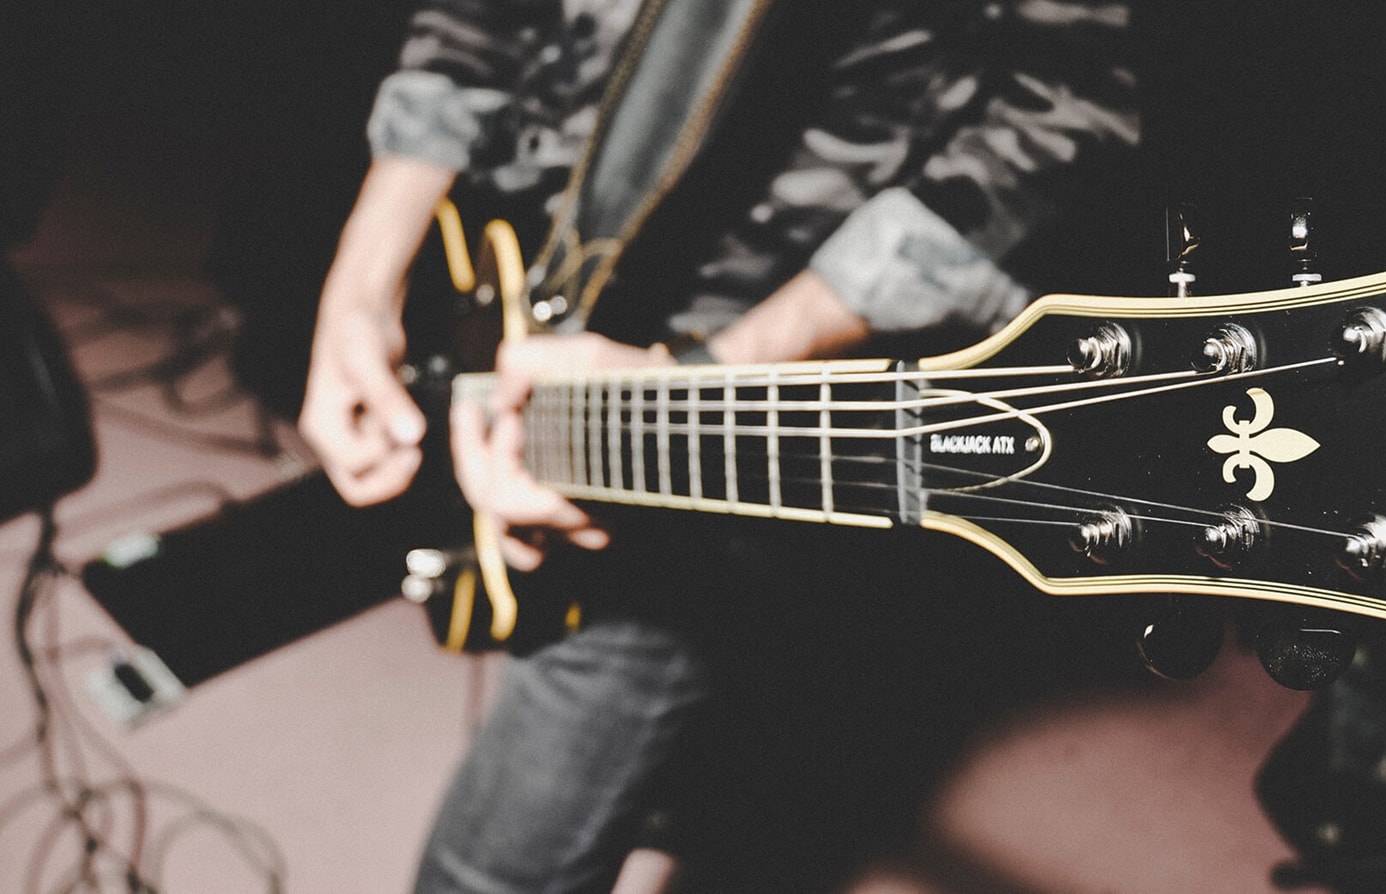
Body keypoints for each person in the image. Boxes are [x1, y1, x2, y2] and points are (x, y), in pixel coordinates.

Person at [297, 2, 1140, 890]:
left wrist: (718, 369)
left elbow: (1076, 102)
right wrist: (359, 285)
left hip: (736, 354)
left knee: (497, 860)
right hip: (502, 241)